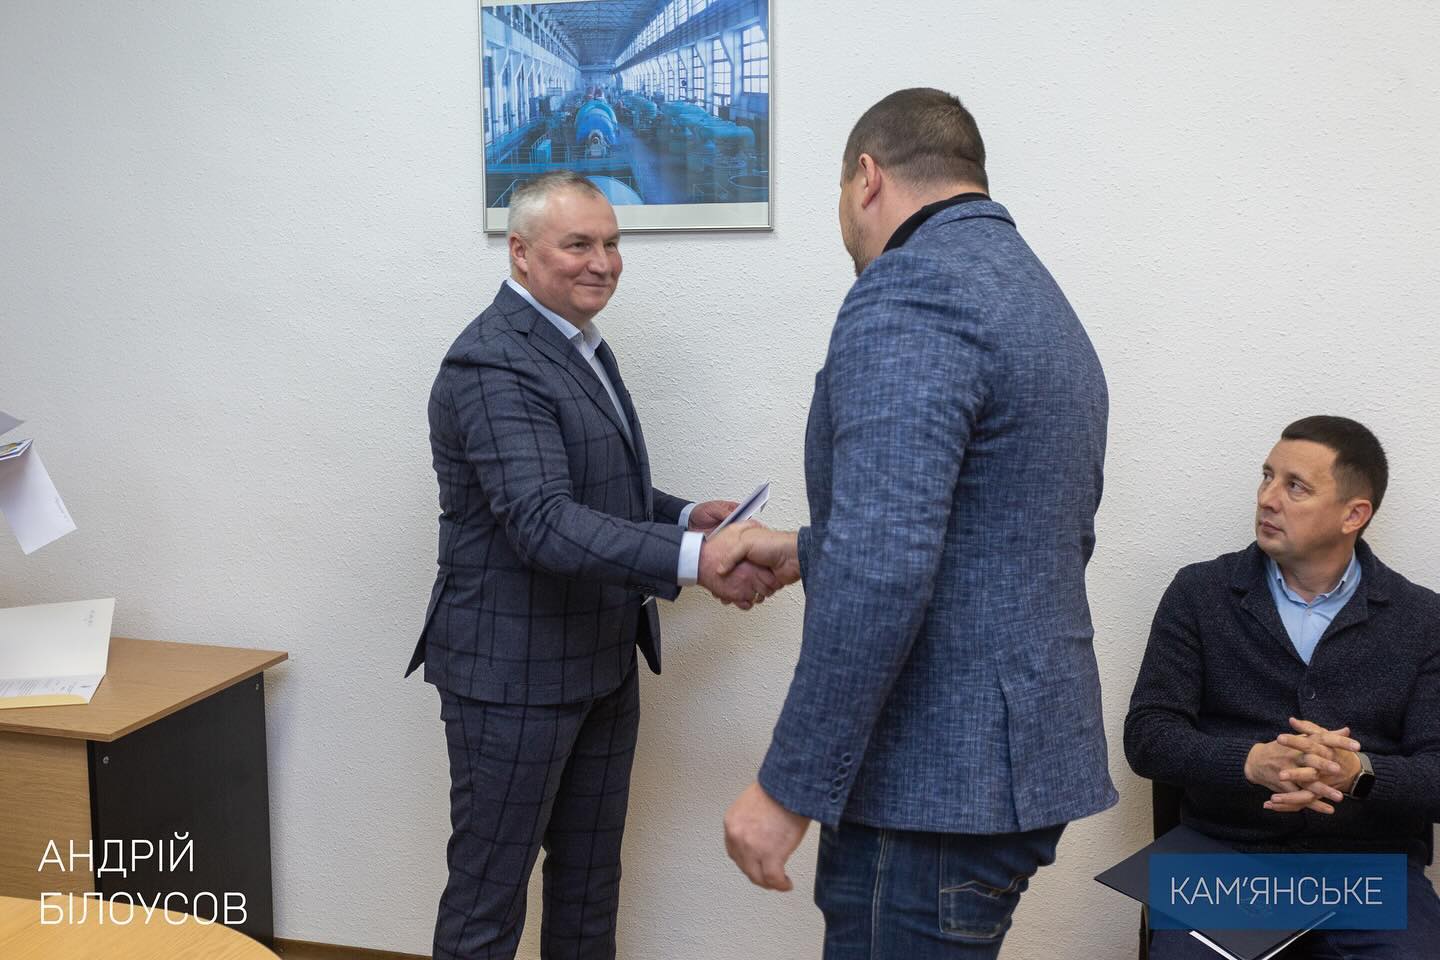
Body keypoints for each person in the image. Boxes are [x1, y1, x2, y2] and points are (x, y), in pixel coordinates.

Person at [714, 88, 1116, 958]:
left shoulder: (912, 287)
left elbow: (886, 563)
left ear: (867, 177)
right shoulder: (1028, 287)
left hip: (931, 781)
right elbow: (998, 528)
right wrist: (802, 548)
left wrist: (788, 788)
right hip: (1006, 765)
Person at [406, 171, 776, 960]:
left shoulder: (576, 343)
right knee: (487, 902)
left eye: (611, 243)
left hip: (601, 664)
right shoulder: (493, 361)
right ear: (520, 252)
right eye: (578, 244)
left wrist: (682, 515)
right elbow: (543, 522)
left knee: (587, 887)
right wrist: (696, 558)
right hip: (513, 678)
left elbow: (589, 489)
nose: (602, 262)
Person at [1125, 416, 1440, 958]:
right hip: (1222, 861)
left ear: (1353, 514)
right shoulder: (1199, 592)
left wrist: (1356, 773)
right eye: (1267, 476)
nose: (1267, 498)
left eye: (1295, 487)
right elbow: (1148, 736)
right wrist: (1252, 763)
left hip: (1368, 872)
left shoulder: (1423, 618)